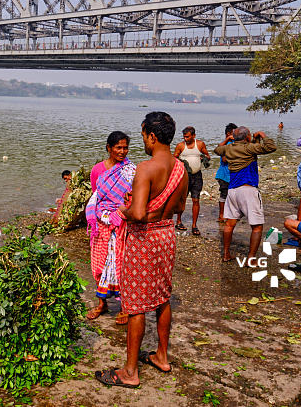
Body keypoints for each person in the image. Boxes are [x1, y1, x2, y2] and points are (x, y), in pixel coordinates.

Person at [95, 112, 187, 388]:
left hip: (144, 239)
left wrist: (125, 208)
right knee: (161, 297)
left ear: (152, 136)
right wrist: (153, 208)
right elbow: (179, 207)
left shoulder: (146, 168)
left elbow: (136, 214)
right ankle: (161, 356)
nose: (143, 142)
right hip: (166, 236)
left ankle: (130, 372)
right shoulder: (180, 168)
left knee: (134, 305)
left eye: (144, 135)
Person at [85, 131, 136, 326]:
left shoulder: (130, 170)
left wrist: (121, 212)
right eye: (118, 148)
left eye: (125, 148)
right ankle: (101, 304)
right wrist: (103, 216)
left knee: (121, 263)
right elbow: (96, 196)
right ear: (109, 148)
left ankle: (124, 307)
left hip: (123, 221)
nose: (122, 151)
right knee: (100, 261)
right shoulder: (98, 169)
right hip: (101, 223)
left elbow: (134, 197)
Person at [214, 127, 276, 262]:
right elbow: (271, 147)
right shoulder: (249, 148)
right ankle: (251, 258)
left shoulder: (229, 149)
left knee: (230, 224)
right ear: (247, 137)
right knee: (257, 226)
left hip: (232, 190)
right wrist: (262, 134)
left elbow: (217, 149)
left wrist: (228, 140)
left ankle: (226, 254)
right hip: (248, 190)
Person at [174, 126, 210, 236]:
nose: (185, 139)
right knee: (182, 199)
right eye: (184, 137)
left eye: (188, 137)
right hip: (184, 176)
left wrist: (204, 158)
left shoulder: (200, 144)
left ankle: (194, 225)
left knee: (196, 200)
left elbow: (208, 156)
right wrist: (181, 162)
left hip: (197, 176)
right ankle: (178, 222)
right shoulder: (180, 146)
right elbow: (174, 158)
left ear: (194, 136)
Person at [215, 123, 237, 223]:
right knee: (224, 195)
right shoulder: (226, 145)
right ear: (229, 134)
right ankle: (221, 215)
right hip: (224, 175)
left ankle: (229, 214)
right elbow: (224, 159)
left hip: (232, 175)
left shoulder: (234, 144)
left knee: (232, 195)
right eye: (234, 133)